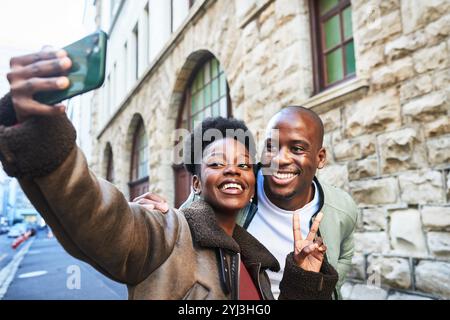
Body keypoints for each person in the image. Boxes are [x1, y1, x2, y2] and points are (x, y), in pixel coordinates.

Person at [0, 49, 338, 299]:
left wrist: (304, 278)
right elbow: (98, 217)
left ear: (253, 185)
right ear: (195, 183)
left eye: (244, 164)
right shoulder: (166, 234)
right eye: (218, 163)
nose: (234, 169)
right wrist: (40, 134)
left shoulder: (255, 264)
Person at [140, 107, 358, 299]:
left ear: (320, 158)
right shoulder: (237, 188)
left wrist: (321, 284)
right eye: (271, 147)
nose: (280, 159)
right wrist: (166, 220)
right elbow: (191, 218)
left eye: (297, 149)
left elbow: (345, 254)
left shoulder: (342, 208)